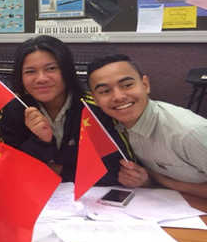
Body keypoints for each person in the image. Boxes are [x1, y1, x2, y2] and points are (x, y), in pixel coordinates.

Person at [0, 35, 132, 183]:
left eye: (51, 68)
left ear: (67, 70)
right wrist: (41, 141)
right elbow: (10, 167)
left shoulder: (94, 108)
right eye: (30, 71)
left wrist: (62, 171)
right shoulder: (14, 110)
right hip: (36, 193)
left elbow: (119, 169)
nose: (41, 78)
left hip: (92, 194)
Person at [87, 54, 207, 198]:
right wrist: (146, 181)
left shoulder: (188, 132)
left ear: (145, 85)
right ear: (95, 99)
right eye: (105, 91)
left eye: (127, 85)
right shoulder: (110, 125)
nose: (118, 97)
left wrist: (168, 183)